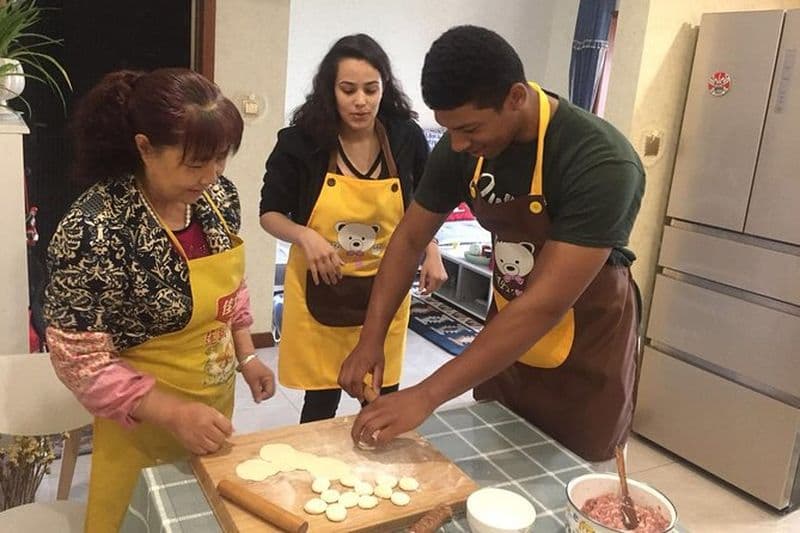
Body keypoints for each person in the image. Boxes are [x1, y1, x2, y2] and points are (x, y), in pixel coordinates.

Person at [339, 25, 644, 463]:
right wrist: (371, 340)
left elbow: (544, 304)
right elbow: (408, 241)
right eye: (449, 130)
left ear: (515, 97)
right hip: (505, 339)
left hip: (585, 348)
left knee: (571, 481)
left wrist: (426, 395)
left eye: (469, 129)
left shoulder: (600, 161)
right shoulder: (461, 146)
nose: (458, 144)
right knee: (495, 460)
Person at [44, 68, 276, 532]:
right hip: (141, 427)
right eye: (195, 163)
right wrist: (172, 411)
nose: (211, 177)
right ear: (145, 147)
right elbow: (79, 361)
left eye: (220, 160)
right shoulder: (96, 228)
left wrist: (246, 353)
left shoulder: (216, 200)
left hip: (212, 405)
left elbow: (232, 286)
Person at [260, 34, 447, 423]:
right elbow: (270, 212)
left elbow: (424, 204)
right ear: (331, 91)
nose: (360, 101)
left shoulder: (404, 136)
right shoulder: (301, 142)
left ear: (385, 89)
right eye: (348, 90)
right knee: (321, 403)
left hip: (385, 288)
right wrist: (305, 235)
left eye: (370, 89)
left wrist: (431, 250)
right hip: (321, 289)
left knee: (380, 399)